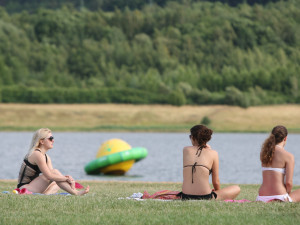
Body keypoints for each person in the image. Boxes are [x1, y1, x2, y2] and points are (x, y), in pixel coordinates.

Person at [17, 128, 89, 195]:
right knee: (55, 173)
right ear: (41, 141)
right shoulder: (37, 154)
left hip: (34, 186)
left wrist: (66, 178)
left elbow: (54, 177)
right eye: (50, 138)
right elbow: (49, 175)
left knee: (57, 182)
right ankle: (76, 193)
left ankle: (45, 195)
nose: (53, 140)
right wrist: (67, 179)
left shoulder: (46, 157)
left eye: (53, 138)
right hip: (24, 188)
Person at [178, 124, 240, 200]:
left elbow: (197, 152)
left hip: (185, 196)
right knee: (236, 188)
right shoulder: (214, 153)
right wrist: (218, 193)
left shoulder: (186, 150)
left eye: (190, 137)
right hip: (206, 197)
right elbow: (216, 182)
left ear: (193, 137)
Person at [257, 125, 300, 202]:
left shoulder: (263, 153)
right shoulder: (288, 156)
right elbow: (289, 183)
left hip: (261, 197)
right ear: (285, 138)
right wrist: (287, 194)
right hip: (279, 197)